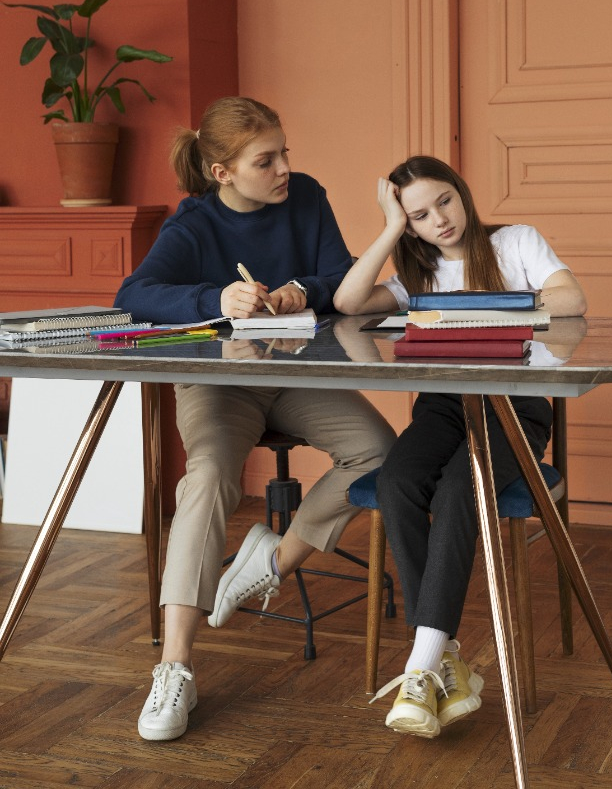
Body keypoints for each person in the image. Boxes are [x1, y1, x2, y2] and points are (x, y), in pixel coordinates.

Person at [115, 96, 396, 742]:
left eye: (283, 153)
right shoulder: (193, 223)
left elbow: (339, 274)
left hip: (295, 376)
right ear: (223, 172)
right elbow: (133, 295)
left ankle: (272, 561)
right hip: (221, 384)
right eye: (265, 161)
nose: (283, 169)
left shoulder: (307, 197)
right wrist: (215, 296)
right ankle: (175, 668)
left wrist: (305, 289)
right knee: (210, 476)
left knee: (381, 451)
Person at [333, 155, 586, 739]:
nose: (439, 220)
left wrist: (478, 313)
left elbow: (571, 299)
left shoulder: (514, 242)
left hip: (515, 405)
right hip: (443, 406)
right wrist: (390, 229)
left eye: (444, 201)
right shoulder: (417, 274)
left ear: (462, 192)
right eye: (419, 215)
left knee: (457, 490)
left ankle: (421, 666)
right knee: (397, 481)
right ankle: (442, 655)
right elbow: (349, 303)